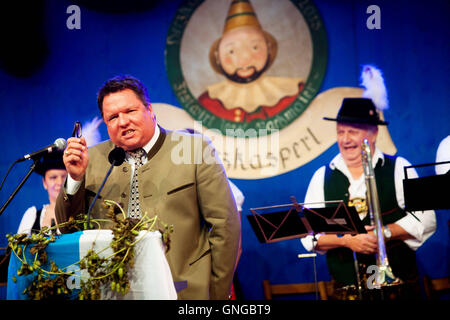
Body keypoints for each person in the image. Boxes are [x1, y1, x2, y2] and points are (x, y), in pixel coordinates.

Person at [55, 75, 241, 300]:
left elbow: (225, 228)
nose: (123, 122)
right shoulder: (91, 160)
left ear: (150, 110)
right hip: (113, 292)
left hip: (183, 291)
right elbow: (68, 231)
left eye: (130, 111)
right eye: (113, 117)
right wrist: (75, 178)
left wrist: (217, 294)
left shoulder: (194, 149)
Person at [300, 97, 436, 299]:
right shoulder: (321, 176)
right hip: (347, 291)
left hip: (398, 290)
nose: (345, 140)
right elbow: (309, 235)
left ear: (374, 133)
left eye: (352, 132)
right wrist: (347, 241)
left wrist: (384, 234)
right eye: (340, 132)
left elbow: (427, 219)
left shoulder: (399, 167)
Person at [198, 0, 304, 123]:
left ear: (268, 48)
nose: (244, 59)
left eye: (255, 47)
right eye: (231, 51)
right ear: (217, 56)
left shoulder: (294, 93)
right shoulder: (207, 103)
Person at [17, 150, 67, 235]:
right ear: (44, 183)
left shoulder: (79, 212)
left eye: (64, 177)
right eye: (53, 177)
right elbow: (19, 247)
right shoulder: (32, 216)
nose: (59, 182)